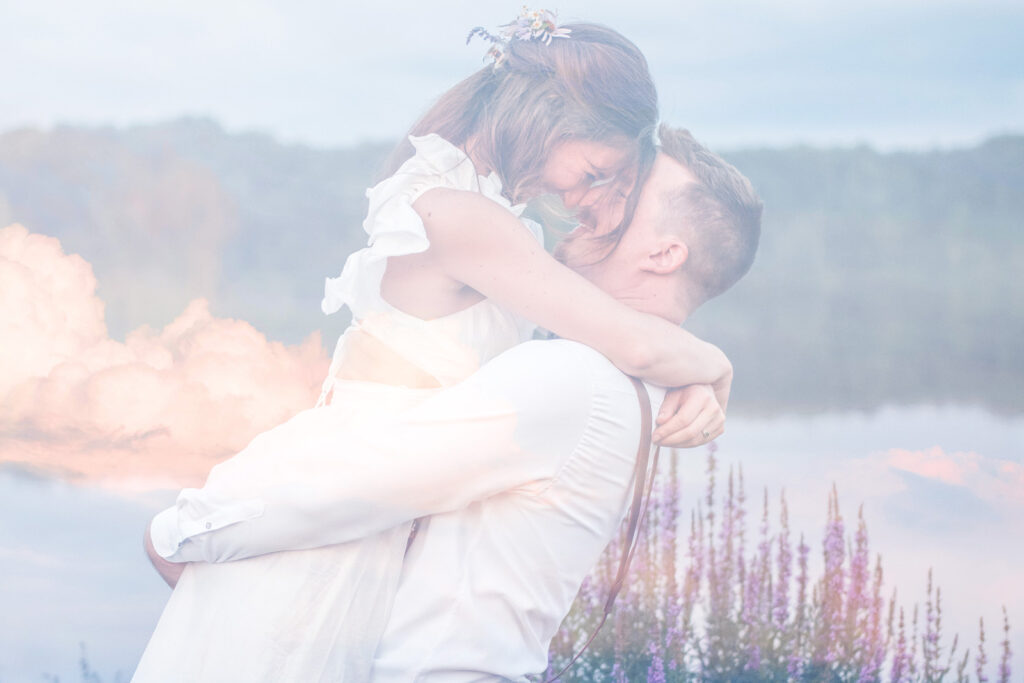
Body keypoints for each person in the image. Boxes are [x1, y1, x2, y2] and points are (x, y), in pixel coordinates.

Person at [132, 12, 731, 681]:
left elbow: (595, 348)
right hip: (328, 521)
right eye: (593, 170)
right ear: (551, 115)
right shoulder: (459, 215)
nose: (577, 196)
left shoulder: (480, 215)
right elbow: (633, 346)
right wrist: (715, 366)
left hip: (365, 520)